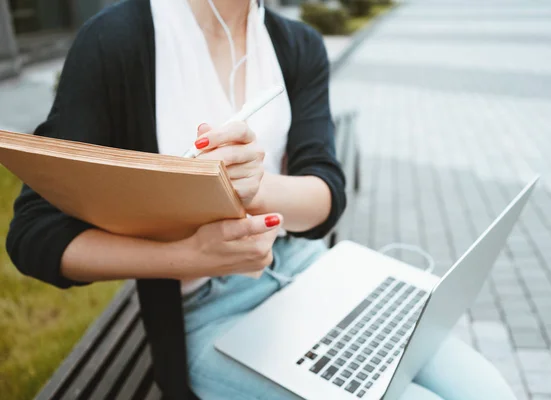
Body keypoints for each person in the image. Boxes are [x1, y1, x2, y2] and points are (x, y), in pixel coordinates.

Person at [6, 0, 517, 399]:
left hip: (310, 272)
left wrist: (256, 187)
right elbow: (34, 234)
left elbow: (325, 196)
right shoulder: (117, 42)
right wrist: (186, 257)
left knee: (489, 392)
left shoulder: (296, 45)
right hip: (206, 311)